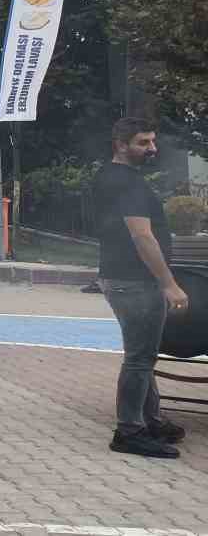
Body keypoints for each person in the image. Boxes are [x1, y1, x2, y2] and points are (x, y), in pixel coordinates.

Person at [90, 118, 187, 458]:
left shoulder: (109, 176)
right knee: (139, 358)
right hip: (134, 281)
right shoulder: (128, 184)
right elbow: (142, 236)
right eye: (144, 142)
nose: (152, 149)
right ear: (121, 144)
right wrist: (170, 284)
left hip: (120, 276)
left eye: (152, 142)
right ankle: (129, 432)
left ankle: (150, 419)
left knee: (143, 356)